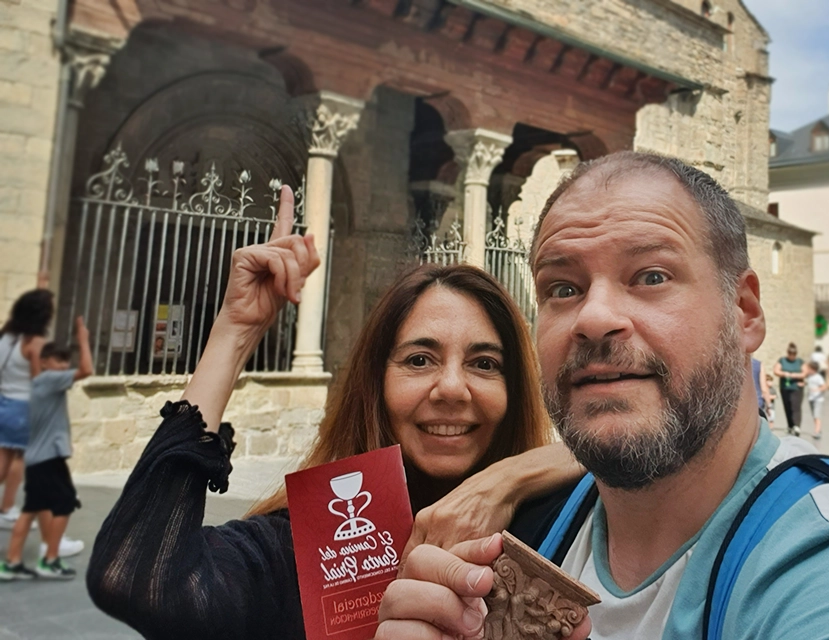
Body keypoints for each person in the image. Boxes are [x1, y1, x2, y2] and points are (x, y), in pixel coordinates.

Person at [376, 151, 829, 640]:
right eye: (562, 287)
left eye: (651, 276)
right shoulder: (528, 532)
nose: (594, 317)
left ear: (745, 312)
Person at [86, 186, 581, 639]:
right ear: (376, 382)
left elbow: (645, 457)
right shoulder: (305, 547)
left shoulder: (556, 528)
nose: (452, 387)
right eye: (418, 359)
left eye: (484, 363)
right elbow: (135, 577)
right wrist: (235, 331)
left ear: (514, 389)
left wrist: (518, 476)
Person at [1, 317, 92, 581]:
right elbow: (86, 369)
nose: (63, 366)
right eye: (57, 360)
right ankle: (49, 559)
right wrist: (83, 340)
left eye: (65, 361)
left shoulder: (36, 384)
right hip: (48, 458)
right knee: (64, 504)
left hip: (38, 458)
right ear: (42, 363)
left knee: (30, 511)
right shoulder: (50, 382)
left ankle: (12, 562)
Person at [0, 288, 53, 529]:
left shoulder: (6, 338)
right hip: (24, 406)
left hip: (4, 402)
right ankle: (7, 508)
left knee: (3, 455)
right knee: (19, 458)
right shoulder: (35, 343)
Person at [773, 342, 804, 436]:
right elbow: (776, 370)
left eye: (794, 354)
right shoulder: (782, 360)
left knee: (796, 406)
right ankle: (790, 425)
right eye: (790, 353)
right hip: (785, 387)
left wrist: (794, 375)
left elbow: (804, 372)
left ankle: (796, 426)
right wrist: (784, 374)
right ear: (788, 352)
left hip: (796, 387)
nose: (792, 355)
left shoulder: (799, 362)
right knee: (787, 406)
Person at [805, 360, 826, 439]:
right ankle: (818, 429)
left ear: (813, 369)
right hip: (811, 399)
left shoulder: (818, 377)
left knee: (817, 415)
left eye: (808, 368)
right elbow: (808, 383)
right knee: (814, 415)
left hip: (818, 399)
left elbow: (824, 386)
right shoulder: (810, 377)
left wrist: (817, 390)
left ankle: (817, 432)